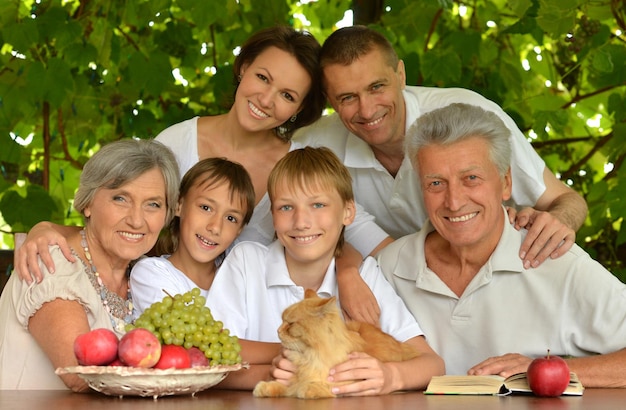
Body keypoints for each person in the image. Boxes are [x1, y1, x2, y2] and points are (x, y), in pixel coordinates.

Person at [14, 25, 391, 325]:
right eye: (262, 77)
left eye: (288, 96)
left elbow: (348, 227)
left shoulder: (294, 168)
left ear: (297, 110)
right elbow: (122, 216)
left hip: (255, 321)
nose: (266, 99)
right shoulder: (177, 142)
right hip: (168, 304)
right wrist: (48, 227)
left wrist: (346, 271)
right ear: (243, 69)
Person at [294, 25, 588, 270]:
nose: (367, 110)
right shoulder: (314, 146)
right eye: (347, 98)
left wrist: (559, 221)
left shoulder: (470, 115)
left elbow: (565, 200)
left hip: (509, 269)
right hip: (403, 290)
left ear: (400, 75)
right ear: (329, 100)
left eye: (376, 87)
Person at [376, 103, 626, 388]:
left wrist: (544, 370)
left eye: (471, 178)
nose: (454, 201)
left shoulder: (553, 257)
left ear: (506, 183)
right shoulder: (388, 267)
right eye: (436, 183)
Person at [206, 146, 444, 394]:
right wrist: (271, 370)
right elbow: (209, 358)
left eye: (318, 205)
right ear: (272, 215)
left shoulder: (365, 276)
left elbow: (433, 364)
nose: (301, 222)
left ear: (348, 212)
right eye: (286, 207)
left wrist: (390, 376)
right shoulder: (246, 262)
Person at [0, 139, 180, 390]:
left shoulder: (143, 275)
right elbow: (82, 376)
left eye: (153, 204)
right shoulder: (53, 263)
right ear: (87, 203)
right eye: (121, 198)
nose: (137, 221)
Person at [130, 157, 255, 318]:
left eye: (231, 218)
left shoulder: (242, 282)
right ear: (178, 205)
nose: (215, 227)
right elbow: (195, 339)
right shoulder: (150, 273)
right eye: (206, 207)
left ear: (239, 230)